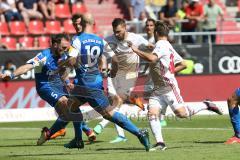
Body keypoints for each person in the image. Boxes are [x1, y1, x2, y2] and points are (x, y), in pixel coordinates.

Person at [56, 14, 151, 151]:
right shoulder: (101, 41)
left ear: (81, 23)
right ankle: (77, 140)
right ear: (93, 23)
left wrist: (62, 65)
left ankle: (140, 133)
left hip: (87, 84)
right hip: (90, 82)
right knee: (72, 106)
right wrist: (113, 72)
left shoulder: (77, 40)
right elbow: (116, 60)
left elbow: (71, 60)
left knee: (109, 114)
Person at [128, 21, 223, 151]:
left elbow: (152, 59)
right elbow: (183, 64)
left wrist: (136, 50)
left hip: (168, 86)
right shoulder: (167, 45)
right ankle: (160, 143)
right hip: (157, 87)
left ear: (156, 33)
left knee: (181, 114)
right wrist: (170, 71)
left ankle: (206, 104)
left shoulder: (161, 45)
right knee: (152, 114)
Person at [0, 34, 85, 149]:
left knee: (71, 112)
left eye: (67, 48)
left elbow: (63, 71)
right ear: (55, 45)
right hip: (45, 87)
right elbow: (27, 67)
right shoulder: (44, 56)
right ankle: (79, 139)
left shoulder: (64, 54)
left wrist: (67, 82)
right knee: (67, 104)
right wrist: (11, 75)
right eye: (63, 47)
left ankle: (48, 134)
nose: (66, 50)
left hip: (59, 86)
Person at [37, 12, 97, 145]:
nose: (77, 26)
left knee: (67, 111)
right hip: (55, 84)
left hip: (76, 80)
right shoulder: (72, 42)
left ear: (83, 24)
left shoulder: (77, 42)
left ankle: (57, 133)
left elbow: (69, 64)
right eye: (75, 23)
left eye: (79, 23)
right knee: (69, 107)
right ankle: (83, 133)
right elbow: (64, 66)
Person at [93, 17, 153, 143]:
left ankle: (101, 126)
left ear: (125, 27)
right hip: (114, 74)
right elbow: (103, 55)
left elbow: (150, 47)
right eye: (115, 32)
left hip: (131, 74)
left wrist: (152, 48)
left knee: (117, 102)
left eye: (119, 31)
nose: (117, 34)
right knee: (113, 104)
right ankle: (121, 134)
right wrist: (103, 66)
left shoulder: (136, 38)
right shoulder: (109, 40)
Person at [142, 18, 167, 127]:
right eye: (147, 25)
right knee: (149, 96)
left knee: (161, 94)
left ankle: (162, 117)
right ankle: (156, 115)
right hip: (150, 73)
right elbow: (149, 58)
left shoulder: (157, 41)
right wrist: (144, 69)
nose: (149, 27)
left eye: (151, 25)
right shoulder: (144, 40)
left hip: (158, 71)